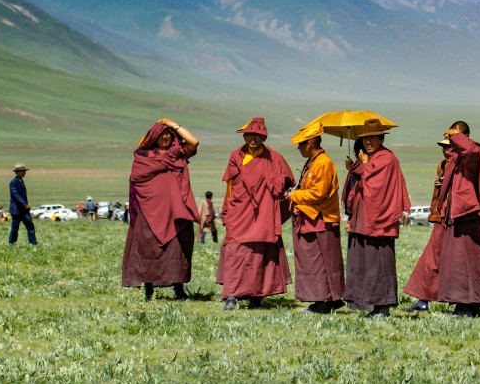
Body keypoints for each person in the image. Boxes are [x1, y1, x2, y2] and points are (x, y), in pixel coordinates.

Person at [217, 117, 295, 310]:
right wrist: (227, 210)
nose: (253, 138)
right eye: (250, 134)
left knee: (261, 253)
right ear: (245, 135)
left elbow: (288, 184)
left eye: (258, 135)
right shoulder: (236, 156)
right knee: (236, 251)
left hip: (264, 214)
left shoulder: (274, 158)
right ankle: (231, 295)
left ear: (264, 137)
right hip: (240, 212)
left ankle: (257, 296)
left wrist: (281, 201)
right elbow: (230, 186)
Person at [121, 119, 200, 301]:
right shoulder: (143, 157)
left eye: (169, 134)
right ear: (153, 137)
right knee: (149, 250)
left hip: (176, 213)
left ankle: (178, 288)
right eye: (162, 134)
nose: (165, 137)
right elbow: (136, 179)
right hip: (149, 213)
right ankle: (149, 289)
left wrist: (173, 124)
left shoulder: (177, 154)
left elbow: (194, 142)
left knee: (177, 250)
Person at [342, 118, 411, 317]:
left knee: (380, 262)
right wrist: (356, 168)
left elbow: (376, 189)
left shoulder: (386, 159)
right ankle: (368, 303)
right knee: (364, 262)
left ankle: (383, 306)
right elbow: (361, 185)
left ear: (381, 139)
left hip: (380, 222)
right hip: (364, 220)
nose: (368, 142)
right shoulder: (370, 160)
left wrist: (364, 166)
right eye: (365, 139)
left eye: (373, 138)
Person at [432, 120, 480, 317]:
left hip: (469, 214)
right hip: (456, 214)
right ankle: (459, 303)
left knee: (471, 262)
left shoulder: (475, 154)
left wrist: (454, 134)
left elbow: (472, 151)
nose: (450, 142)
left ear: (464, 137)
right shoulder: (456, 159)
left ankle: (472, 303)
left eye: (454, 137)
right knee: (455, 262)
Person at [288, 121, 345, 314]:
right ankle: (330, 300)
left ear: (310, 143)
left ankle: (321, 302)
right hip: (313, 219)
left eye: (301, 144)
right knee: (322, 261)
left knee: (317, 262)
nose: (298, 148)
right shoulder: (314, 162)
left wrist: (294, 196)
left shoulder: (323, 163)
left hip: (319, 220)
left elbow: (318, 193)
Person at [403, 135, 453, 312]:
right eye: (444, 147)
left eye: (450, 147)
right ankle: (423, 298)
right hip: (442, 218)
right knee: (432, 259)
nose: (447, 151)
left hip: (454, 219)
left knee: (443, 260)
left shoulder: (463, 166)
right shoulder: (442, 165)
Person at [7, 162, 37, 247]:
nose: (24, 172)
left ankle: (33, 244)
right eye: (22, 171)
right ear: (17, 172)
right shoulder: (13, 182)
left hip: (24, 210)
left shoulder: (21, 181)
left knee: (30, 226)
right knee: (15, 229)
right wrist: (25, 204)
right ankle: (11, 244)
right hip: (17, 210)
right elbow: (16, 195)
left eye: (24, 171)